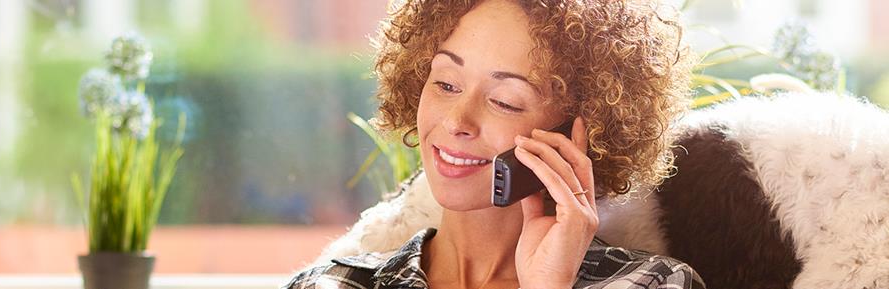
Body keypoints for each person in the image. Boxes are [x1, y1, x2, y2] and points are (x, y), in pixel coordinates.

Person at [284, 0, 704, 288]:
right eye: (446, 84)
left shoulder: (651, 283)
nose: (456, 121)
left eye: (505, 101)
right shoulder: (331, 283)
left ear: (579, 134)